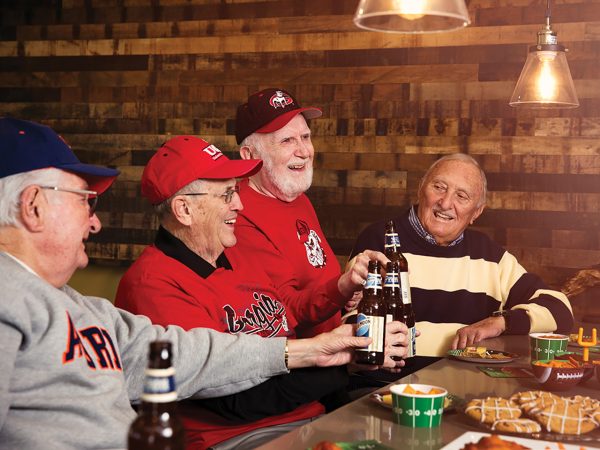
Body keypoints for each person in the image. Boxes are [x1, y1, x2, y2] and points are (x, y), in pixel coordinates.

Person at [0, 117, 379, 450]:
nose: (94, 222)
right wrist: (335, 365)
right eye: (86, 200)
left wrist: (320, 349)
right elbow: (225, 399)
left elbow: (181, 353)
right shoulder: (11, 298)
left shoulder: (81, 307)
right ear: (33, 205)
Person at [115, 135, 408, 449]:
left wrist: (343, 292)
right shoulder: (151, 284)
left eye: (236, 190)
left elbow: (287, 314)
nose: (239, 204)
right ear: (184, 209)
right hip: (239, 437)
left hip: (312, 416)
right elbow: (235, 400)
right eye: (227, 194)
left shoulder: (237, 252)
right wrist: (345, 361)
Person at [351, 153, 574, 356]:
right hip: (388, 385)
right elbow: (351, 320)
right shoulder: (379, 241)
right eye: (439, 187)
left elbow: (560, 309)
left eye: (462, 196)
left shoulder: (490, 257)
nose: (446, 203)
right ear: (420, 189)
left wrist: (500, 322)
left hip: (465, 385)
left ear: (476, 212)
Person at [232, 88, 392, 340]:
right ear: (249, 156)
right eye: (287, 141)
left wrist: (350, 292)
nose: (304, 151)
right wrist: (342, 286)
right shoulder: (237, 213)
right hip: (291, 371)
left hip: (330, 361)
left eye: (305, 137)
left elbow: (316, 280)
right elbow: (283, 311)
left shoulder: (297, 198)